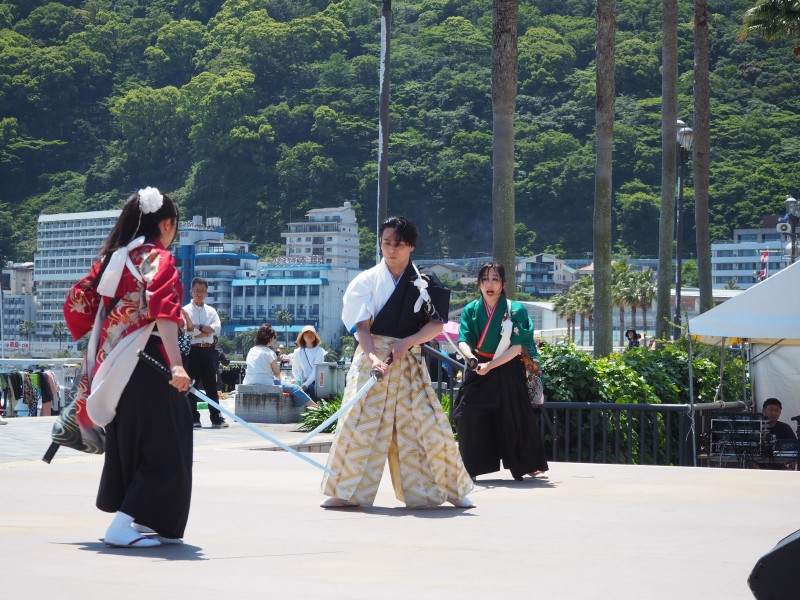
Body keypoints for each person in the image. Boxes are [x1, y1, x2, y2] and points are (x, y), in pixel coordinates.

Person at [63, 187, 192, 548]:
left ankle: (144, 519)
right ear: (166, 224)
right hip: (149, 363)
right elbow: (163, 311)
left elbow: (77, 303)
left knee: (133, 442)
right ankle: (123, 525)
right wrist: (178, 366)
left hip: (113, 365)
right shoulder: (158, 260)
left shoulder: (113, 258)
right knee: (168, 446)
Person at [320, 216, 474, 509]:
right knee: (358, 423)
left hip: (409, 360)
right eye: (386, 243)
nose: (391, 250)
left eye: (398, 244)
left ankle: (449, 490)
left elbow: (436, 325)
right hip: (372, 360)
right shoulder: (365, 281)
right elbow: (362, 327)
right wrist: (374, 357)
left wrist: (407, 342)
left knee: (427, 426)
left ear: (411, 246)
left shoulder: (425, 282)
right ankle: (345, 491)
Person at [453, 261, 549, 481]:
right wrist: (472, 359)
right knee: (467, 414)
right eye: (485, 279)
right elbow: (463, 340)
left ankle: (528, 464)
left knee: (514, 416)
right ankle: (471, 466)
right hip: (478, 367)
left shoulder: (516, 310)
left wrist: (491, 365)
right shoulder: (471, 310)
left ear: (503, 284)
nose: (490, 284)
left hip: (507, 367)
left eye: (495, 279)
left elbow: (517, 347)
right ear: (478, 284)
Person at [183, 277, 227, 428]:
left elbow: (216, 330)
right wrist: (205, 330)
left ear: (206, 293)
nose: (199, 294)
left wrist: (198, 327)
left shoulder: (211, 311)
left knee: (211, 386)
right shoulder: (186, 310)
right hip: (192, 351)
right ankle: (193, 418)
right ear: (191, 292)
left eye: (202, 291)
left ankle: (216, 418)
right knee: (192, 385)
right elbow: (187, 330)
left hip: (208, 350)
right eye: (196, 291)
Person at [242, 323, 317, 408]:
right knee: (296, 389)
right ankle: (316, 408)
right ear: (270, 338)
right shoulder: (269, 353)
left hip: (249, 382)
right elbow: (277, 373)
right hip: (267, 383)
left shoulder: (251, 350)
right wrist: (283, 379)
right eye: (274, 338)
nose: (274, 341)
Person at [753, 398, 798, 470]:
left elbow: (795, 449)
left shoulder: (785, 428)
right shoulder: (755, 427)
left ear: (780, 412)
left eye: (777, 410)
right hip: (759, 469)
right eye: (771, 410)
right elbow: (747, 452)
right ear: (763, 411)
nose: (774, 413)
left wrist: (791, 467)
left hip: (781, 468)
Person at [291, 325, 326, 401]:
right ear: (302, 336)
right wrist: (300, 381)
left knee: (311, 388)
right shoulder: (297, 351)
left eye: (312, 332)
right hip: (302, 382)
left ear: (315, 336)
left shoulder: (319, 350)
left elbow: (316, 370)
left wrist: (306, 384)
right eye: (306, 332)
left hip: (315, 382)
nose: (309, 334)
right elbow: (295, 370)